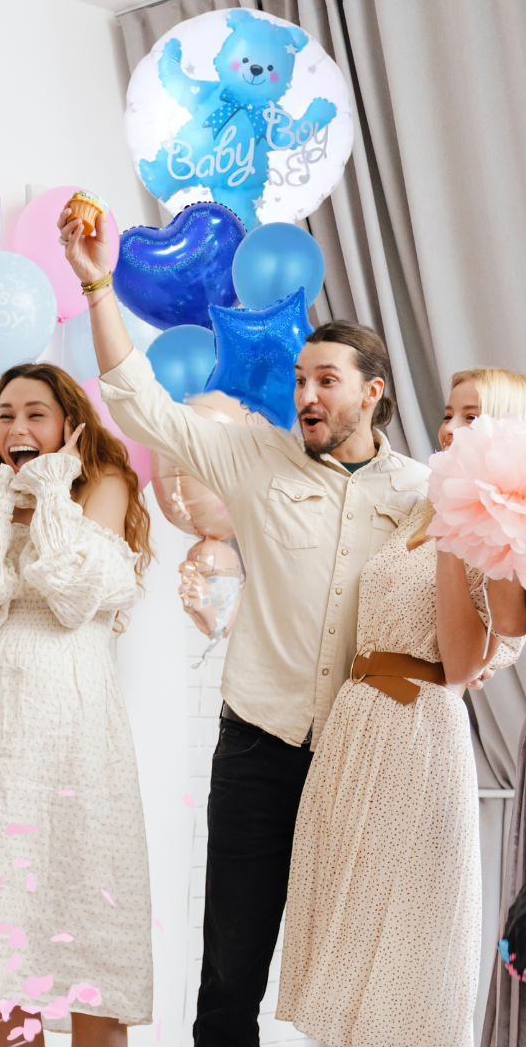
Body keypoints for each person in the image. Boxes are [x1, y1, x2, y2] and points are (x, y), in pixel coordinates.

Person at [56, 206, 430, 1046]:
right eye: (300, 378)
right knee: (232, 971)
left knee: (355, 969)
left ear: (372, 392)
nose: (304, 394)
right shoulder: (255, 457)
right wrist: (95, 284)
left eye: (325, 380)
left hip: (365, 754)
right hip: (259, 747)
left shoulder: (420, 493)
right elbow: (142, 404)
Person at [278, 367, 526, 1045]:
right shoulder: (421, 508)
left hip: (417, 732)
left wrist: (458, 535)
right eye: (449, 413)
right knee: (347, 941)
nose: (450, 429)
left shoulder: (494, 525)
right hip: (358, 730)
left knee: (402, 953)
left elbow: (465, 662)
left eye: (472, 417)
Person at [0, 363, 154, 1047]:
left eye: (35, 413)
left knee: (89, 892)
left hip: (76, 710)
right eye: (4, 414)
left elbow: (71, 597)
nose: (17, 428)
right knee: (6, 896)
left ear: (67, 424)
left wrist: (52, 491)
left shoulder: (104, 485)